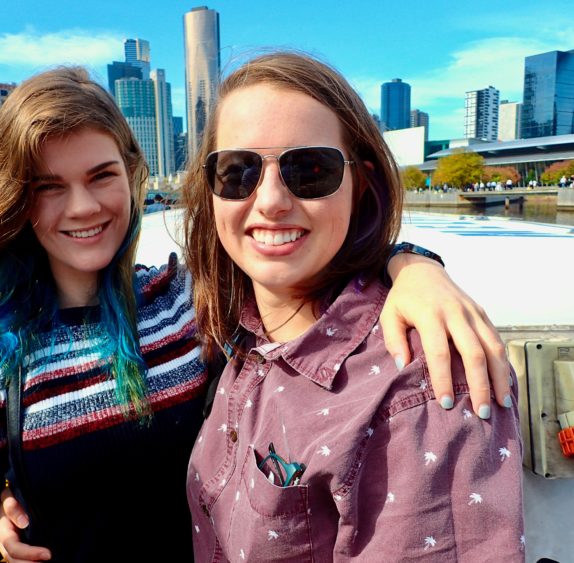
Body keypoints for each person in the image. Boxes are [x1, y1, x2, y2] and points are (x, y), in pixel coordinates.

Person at [0, 66, 511, 563]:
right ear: (17, 199)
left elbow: (298, 259)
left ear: (134, 176)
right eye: (47, 186)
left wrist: (415, 265)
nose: (81, 206)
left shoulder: (187, 302)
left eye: (101, 175)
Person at [183, 52, 523, 561]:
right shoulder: (232, 329)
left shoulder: (419, 381)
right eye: (237, 172)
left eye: (310, 169)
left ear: (360, 183)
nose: (271, 200)